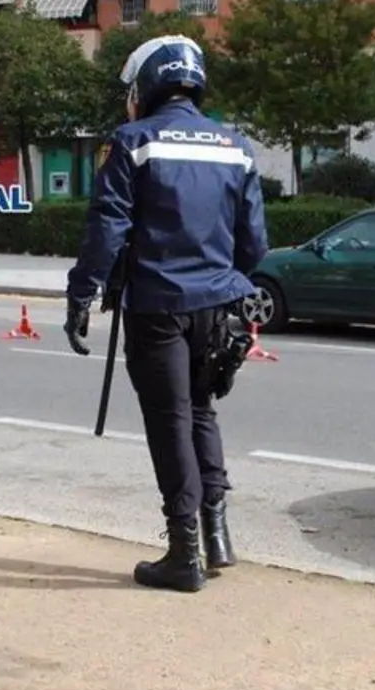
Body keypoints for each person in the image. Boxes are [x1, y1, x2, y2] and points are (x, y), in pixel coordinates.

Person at [63, 35, 269, 593]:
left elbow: (107, 227)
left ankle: (183, 554)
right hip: (216, 308)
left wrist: (81, 293)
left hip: (157, 306)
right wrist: (227, 283)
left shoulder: (134, 142)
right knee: (201, 412)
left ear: (146, 85)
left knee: (171, 420)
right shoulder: (235, 145)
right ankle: (217, 535)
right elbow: (255, 244)